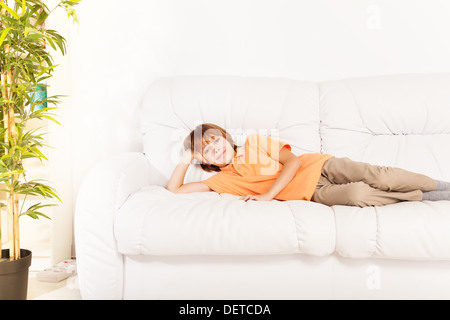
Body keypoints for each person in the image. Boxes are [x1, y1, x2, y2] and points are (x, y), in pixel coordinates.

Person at [166, 123, 450, 207]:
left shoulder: (253, 142)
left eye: (216, 142)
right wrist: (186, 157)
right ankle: (420, 196)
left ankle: (442, 188)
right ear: (203, 161)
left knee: (375, 174)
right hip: (309, 193)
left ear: (226, 138)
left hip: (319, 167)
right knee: (358, 195)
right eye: (207, 152)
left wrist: (267, 195)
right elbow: (175, 190)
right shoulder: (220, 181)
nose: (216, 150)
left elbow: (293, 162)